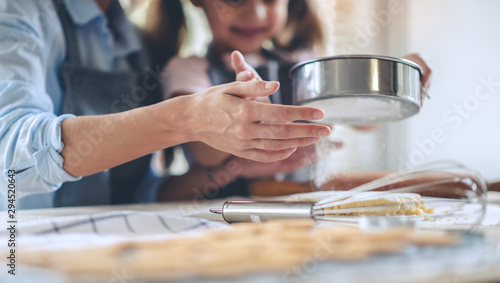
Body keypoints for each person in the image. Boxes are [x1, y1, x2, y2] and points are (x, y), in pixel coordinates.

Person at [0, 0, 331, 209]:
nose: (255, 11)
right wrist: (185, 117)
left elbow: (140, 194)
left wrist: (230, 169)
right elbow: (10, 155)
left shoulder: (139, 44)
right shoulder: (21, 13)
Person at [158, 0, 433, 200]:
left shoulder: (305, 66)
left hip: (307, 208)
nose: (255, 12)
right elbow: (207, 154)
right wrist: (243, 113)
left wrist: (392, 82)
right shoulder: (188, 71)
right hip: (221, 214)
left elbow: (364, 119)